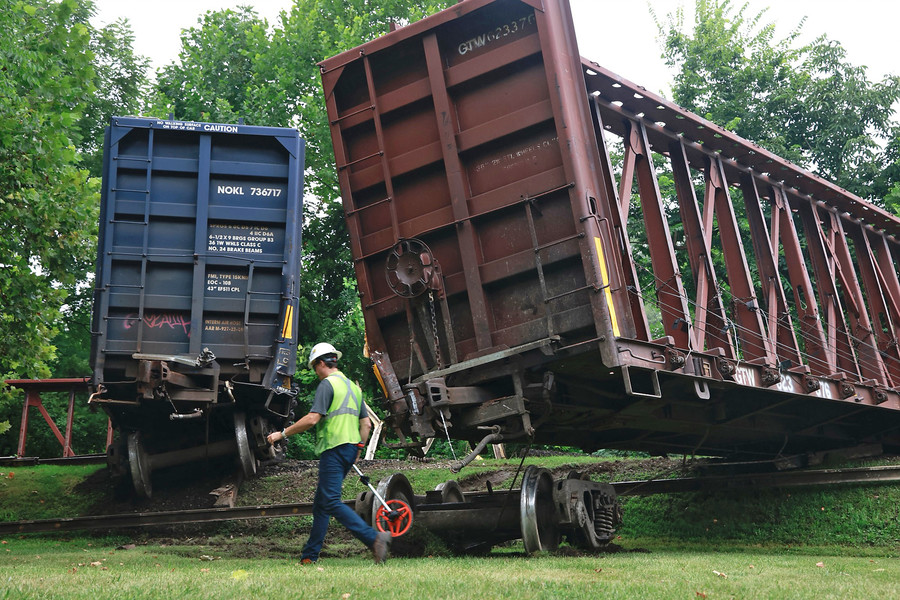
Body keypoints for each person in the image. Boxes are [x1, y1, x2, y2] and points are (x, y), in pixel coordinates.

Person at [266, 342, 391, 564]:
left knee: (331, 501)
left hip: (334, 448)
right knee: (322, 503)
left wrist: (281, 434)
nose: (316, 373)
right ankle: (309, 557)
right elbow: (366, 425)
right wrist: (358, 449)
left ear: (321, 363)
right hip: (350, 450)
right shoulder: (353, 387)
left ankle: (374, 538)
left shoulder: (327, 385)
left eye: (315, 367)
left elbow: (313, 419)